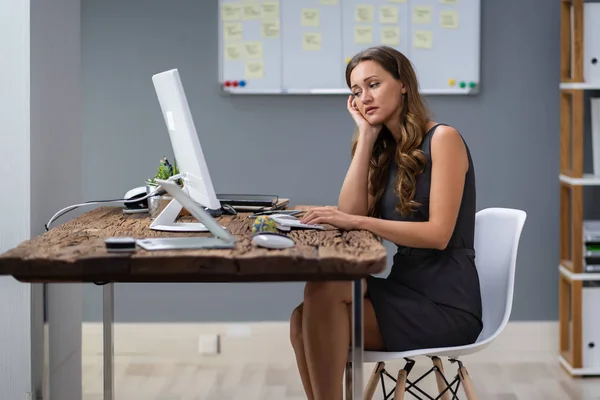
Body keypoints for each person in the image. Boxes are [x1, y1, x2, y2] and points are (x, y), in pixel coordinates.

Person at [289, 45, 484, 400]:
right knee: (308, 307)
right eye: (356, 91)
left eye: (373, 84)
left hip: (445, 303)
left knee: (318, 304)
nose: (365, 97)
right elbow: (352, 216)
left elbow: (439, 235)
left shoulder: (443, 139)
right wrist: (365, 136)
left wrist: (353, 218)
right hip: (404, 287)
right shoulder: (387, 151)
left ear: (403, 83)